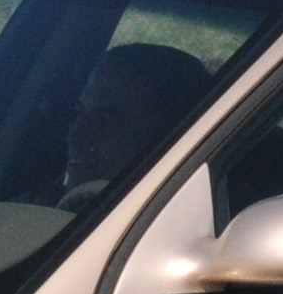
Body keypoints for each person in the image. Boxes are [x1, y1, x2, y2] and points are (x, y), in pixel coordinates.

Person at [58, 42, 217, 210]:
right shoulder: (37, 203)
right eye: (80, 112)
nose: (75, 136)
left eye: (105, 119)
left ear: (166, 136)